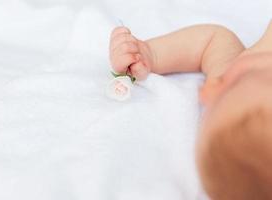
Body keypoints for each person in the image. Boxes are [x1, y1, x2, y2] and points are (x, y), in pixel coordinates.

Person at [109, 21, 272, 199]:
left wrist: (151, 54)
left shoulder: (233, 83)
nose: (211, 89)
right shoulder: (235, 86)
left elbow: (212, 41)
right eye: (235, 85)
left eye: (214, 103)